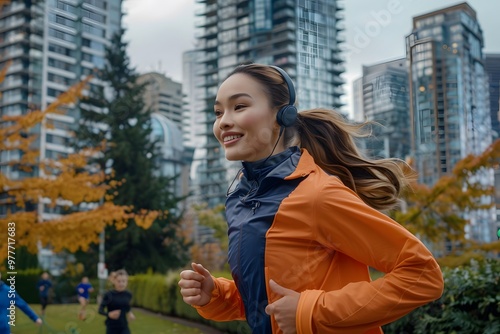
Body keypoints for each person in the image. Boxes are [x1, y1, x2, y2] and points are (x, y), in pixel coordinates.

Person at [178, 63, 445, 334]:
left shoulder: (318, 195)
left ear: (281, 115)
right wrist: (216, 294)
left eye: (240, 106)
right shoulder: (240, 201)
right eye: (218, 112)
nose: (223, 121)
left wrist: (311, 311)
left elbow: (422, 275)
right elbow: (267, 303)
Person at [98, 269, 135, 334]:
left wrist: (130, 313)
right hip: (111, 328)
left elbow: (126, 306)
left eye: (123, 281)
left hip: (124, 327)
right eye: (119, 281)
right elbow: (100, 310)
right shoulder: (109, 295)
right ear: (114, 281)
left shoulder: (128, 294)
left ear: (127, 282)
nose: (121, 284)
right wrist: (109, 314)